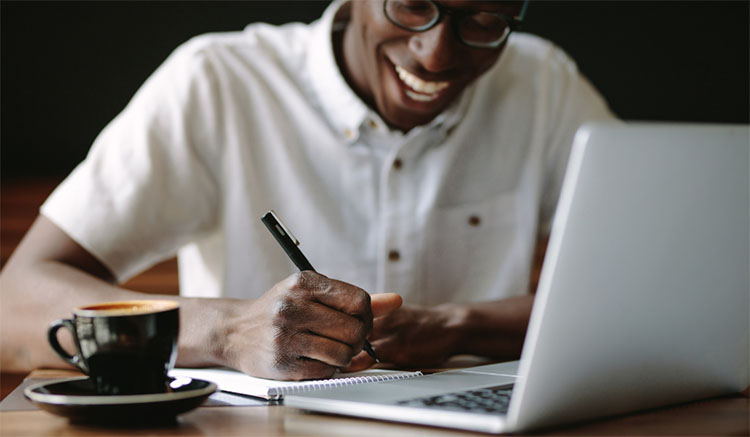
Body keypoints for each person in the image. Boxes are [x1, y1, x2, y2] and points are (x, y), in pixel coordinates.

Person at [0, 0, 615, 380]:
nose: (435, 54)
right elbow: (12, 308)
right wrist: (228, 330)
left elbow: (637, 296)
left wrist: (457, 327)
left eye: (483, 21)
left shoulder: (544, 86)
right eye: (411, 5)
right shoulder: (219, 83)